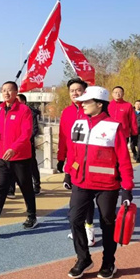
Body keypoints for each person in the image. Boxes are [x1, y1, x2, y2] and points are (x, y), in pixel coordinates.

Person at [66, 86, 134, 279]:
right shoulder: (78, 123)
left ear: (99, 104)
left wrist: (127, 188)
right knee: (75, 220)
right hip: (81, 182)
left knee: (107, 223)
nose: (82, 104)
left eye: (87, 101)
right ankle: (83, 259)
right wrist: (69, 172)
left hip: (107, 185)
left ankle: (108, 262)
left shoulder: (114, 126)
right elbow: (73, 152)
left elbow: (123, 159)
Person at [0, 81, 37, 236]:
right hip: (2, 157)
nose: (6, 93)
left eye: (10, 90)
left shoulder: (24, 110)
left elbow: (26, 134)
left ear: (16, 92)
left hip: (20, 157)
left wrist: (14, 148)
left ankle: (31, 216)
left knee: (26, 188)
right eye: (4, 90)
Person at [56, 78, 96, 247]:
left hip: (90, 160)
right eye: (72, 90)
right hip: (73, 163)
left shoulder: (92, 110)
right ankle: (80, 228)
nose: (75, 93)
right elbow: (63, 137)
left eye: (78, 90)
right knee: (77, 197)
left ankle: (89, 229)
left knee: (85, 197)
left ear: (85, 92)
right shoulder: (66, 112)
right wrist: (60, 158)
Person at [6, 93, 41, 197]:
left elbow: (34, 130)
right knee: (11, 166)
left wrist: (24, 139)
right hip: (13, 146)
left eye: (17, 100)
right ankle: (11, 190)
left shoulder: (31, 113)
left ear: (23, 102)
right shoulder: (10, 112)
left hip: (27, 145)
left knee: (32, 166)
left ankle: (36, 186)